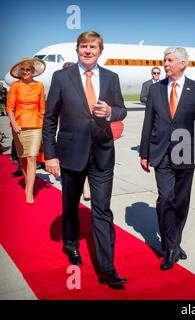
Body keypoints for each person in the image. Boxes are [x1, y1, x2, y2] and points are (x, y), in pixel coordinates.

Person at [43, 31, 128, 286]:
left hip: (102, 153)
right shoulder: (62, 77)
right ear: (77, 49)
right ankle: (70, 243)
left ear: (100, 51)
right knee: (70, 204)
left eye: (92, 47)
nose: (88, 51)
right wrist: (51, 155)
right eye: (83, 47)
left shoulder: (111, 78)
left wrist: (112, 111)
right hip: (70, 153)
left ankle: (107, 268)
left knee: (102, 209)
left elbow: (122, 109)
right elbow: (49, 119)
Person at [139, 47, 195, 270]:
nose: (165, 64)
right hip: (160, 153)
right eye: (164, 60)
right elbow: (148, 121)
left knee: (181, 201)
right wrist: (144, 153)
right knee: (166, 198)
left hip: (186, 152)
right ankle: (170, 248)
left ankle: (175, 241)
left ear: (182, 64)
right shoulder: (156, 89)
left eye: (170, 60)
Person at [6, 58, 46, 205]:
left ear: (33, 71)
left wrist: (43, 124)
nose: (25, 72)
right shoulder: (15, 86)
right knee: (23, 157)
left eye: (28, 70)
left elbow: (42, 108)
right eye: (23, 70)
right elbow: (9, 107)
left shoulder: (39, 86)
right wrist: (14, 123)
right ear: (20, 72)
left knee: (32, 158)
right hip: (19, 125)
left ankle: (29, 191)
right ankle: (27, 183)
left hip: (36, 124)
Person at [62, 61, 91, 201]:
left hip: (74, 135)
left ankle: (85, 189)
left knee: (80, 163)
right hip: (71, 135)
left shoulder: (84, 87)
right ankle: (84, 189)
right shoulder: (64, 87)